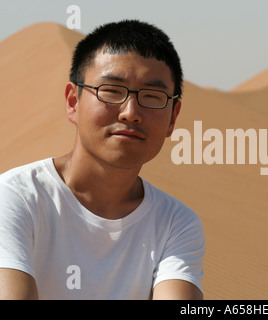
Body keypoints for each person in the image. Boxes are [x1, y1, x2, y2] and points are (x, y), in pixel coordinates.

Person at [0, 20, 205, 300]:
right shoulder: (16, 197)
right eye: (111, 90)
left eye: (153, 96)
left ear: (173, 117)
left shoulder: (175, 223)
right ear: (73, 101)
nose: (130, 112)